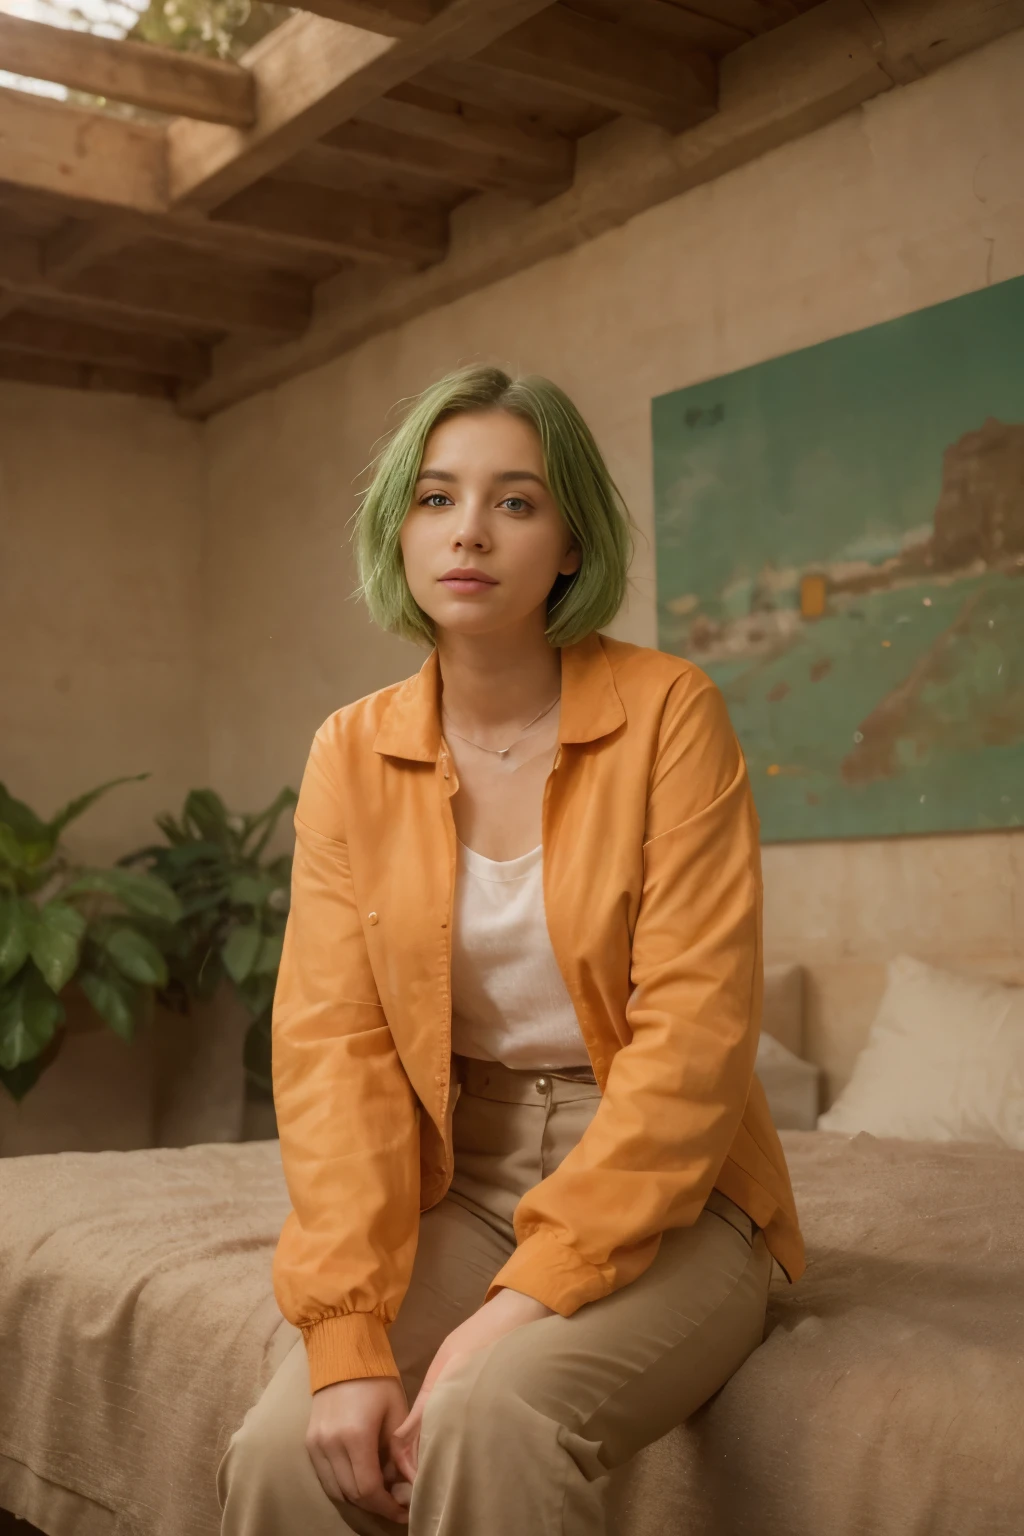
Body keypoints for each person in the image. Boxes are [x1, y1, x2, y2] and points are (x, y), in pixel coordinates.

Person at [218, 363, 806, 1536]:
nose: (468, 533)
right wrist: (345, 1337)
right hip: (464, 1176)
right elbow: (333, 1051)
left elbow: (695, 1039)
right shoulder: (350, 750)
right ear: (401, 529)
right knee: (289, 1447)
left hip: (676, 1194)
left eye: (516, 502)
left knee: (491, 1413)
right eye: (435, 499)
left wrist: (515, 1308)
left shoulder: (669, 713)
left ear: (571, 542)